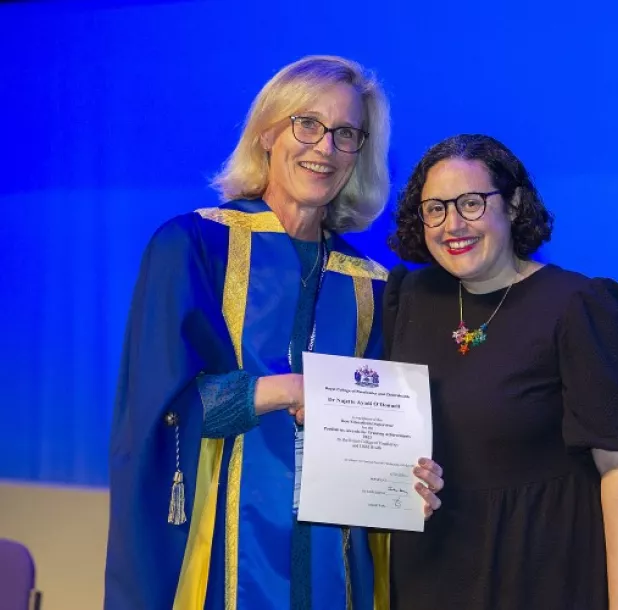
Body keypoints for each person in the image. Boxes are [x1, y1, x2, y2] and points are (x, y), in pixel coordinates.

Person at [104, 55, 443, 610]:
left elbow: (379, 435)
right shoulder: (193, 248)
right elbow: (155, 410)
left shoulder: (374, 286)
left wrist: (408, 481)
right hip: (218, 563)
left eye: (345, 133)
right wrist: (285, 390)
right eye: (306, 124)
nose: (324, 148)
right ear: (267, 132)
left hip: (336, 571)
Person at [383, 134, 618, 610]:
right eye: (434, 208)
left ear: (513, 205)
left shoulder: (579, 305)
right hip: (430, 569)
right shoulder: (406, 298)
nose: (452, 223)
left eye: (471, 203)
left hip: (539, 568)